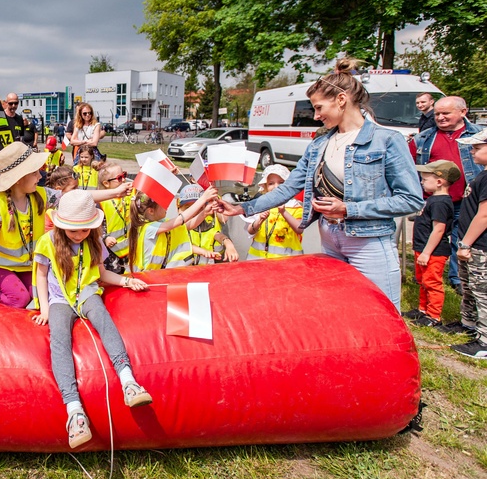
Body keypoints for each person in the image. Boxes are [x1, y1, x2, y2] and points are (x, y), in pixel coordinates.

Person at [218, 58, 423, 310]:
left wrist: (348, 209)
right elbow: (288, 188)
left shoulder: (386, 140)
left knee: (380, 311)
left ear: (341, 99)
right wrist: (243, 208)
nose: (315, 116)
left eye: (318, 107)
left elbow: (411, 199)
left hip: (368, 241)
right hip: (331, 238)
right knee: (340, 308)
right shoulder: (319, 145)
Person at [0, 142, 131, 318]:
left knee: (38, 296)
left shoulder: (39, 196)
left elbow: (77, 198)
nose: (40, 176)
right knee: (19, 299)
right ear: (20, 178)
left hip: (20, 265)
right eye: (35, 172)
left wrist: (115, 193)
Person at [32, 190, 152, 448]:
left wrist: (127, 281)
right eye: (74, 231)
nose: (79, 235)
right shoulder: (48, 242)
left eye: (85, 230)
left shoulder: (93, 242)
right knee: (59, 341)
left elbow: (102, 274)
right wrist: (44, 308)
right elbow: (41, 275)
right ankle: (74, 409)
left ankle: (128, 381)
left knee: (105, 322)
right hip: (59, 299)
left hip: (86, 293)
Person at [411, 96, 483, 296]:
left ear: (463, 112)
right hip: (435, 200)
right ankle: (428, 276)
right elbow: (408, 165)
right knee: (433, 236)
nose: (440, 118)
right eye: (437, 114)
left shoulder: (478, 135)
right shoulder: (424, 138)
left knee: (462, 238)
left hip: (467, 199)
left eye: (446, 113)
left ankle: (458, 278)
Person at [446, 129, 487, 357]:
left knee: (483, 292)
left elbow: (484, 214)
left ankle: (485, 341)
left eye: (477, 147)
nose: (472, 151)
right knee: (469, 287)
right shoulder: (482, 174)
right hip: (470, 245)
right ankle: (469, 324)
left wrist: (466, 244)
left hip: (479, 246)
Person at [404, 160, 458, 327]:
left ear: (439, 181)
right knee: (422, 281)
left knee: (432, 283)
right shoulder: (433, 200)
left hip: (433, 252)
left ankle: (434, 316)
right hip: (422, 248)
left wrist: (427, 252)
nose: (422, 182)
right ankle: (423, 310)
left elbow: (439, 230)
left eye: (425, 179)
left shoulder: (440, 203)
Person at [128, 186, 220, 272]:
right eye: (162, 204)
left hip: (154, 274)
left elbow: (187, 226)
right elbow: (180, 220)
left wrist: (204, 213)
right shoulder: (149, 228)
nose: (166, 206)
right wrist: (203, 199)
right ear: (151, 211)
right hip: (142, 276)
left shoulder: (161, 223)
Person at [246, 164, 304, 260]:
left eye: (281, 183)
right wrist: (259, 220)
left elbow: (299, 229)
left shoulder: (295, 206)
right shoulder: (261, 204)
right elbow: (250, 230)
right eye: (271, 183)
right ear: (265, 186)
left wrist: (284, 212)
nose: (276, 187)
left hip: (288, 261)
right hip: (258, 260)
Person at [178, 184, 238, 265]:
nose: (194, 212)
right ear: (179, 210)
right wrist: (203, 252)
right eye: (188, 208)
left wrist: (229, 244)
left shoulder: (208, 223)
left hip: (206, 269)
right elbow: (181, 243)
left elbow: (217, 235)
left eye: (197, 207)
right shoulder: (176, 226)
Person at [98, 161, 134, 274]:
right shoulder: (101, 202)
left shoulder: (128, 195)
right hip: (110, 252)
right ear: (106, 183)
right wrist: (105, 237)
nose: (123, 180)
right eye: (119, 178)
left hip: (129, 247)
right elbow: (98, 227)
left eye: (124, 175)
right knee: (113, 278)